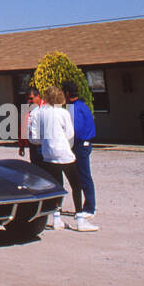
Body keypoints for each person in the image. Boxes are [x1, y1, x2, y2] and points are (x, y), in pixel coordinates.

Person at [37, 86, 79, 229]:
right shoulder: (63, 112)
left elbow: (36, 136)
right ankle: (80, 217)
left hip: (48, 153)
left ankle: (56, 217)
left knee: (57, 185)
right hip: (63, 153)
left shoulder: (41, 113)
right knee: (76, 184)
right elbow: (69, 134)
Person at [62, 80, 99, 231]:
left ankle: (90, 207)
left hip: (80, 145)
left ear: (67, 94)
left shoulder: (74, 108)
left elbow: (74, 130)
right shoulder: (83, 105)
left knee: (83, 176)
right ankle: (89, 205)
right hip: (85, 143)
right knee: (85, 176)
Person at [18, 86, 44, 167]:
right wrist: (21, 145)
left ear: (38, 97)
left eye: (31, 98)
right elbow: (23, 127)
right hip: (33, 147)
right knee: (36, 170)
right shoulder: (28, 109)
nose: (29, 101)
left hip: (44, 145)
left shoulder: (46, 108)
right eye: (28, 99)